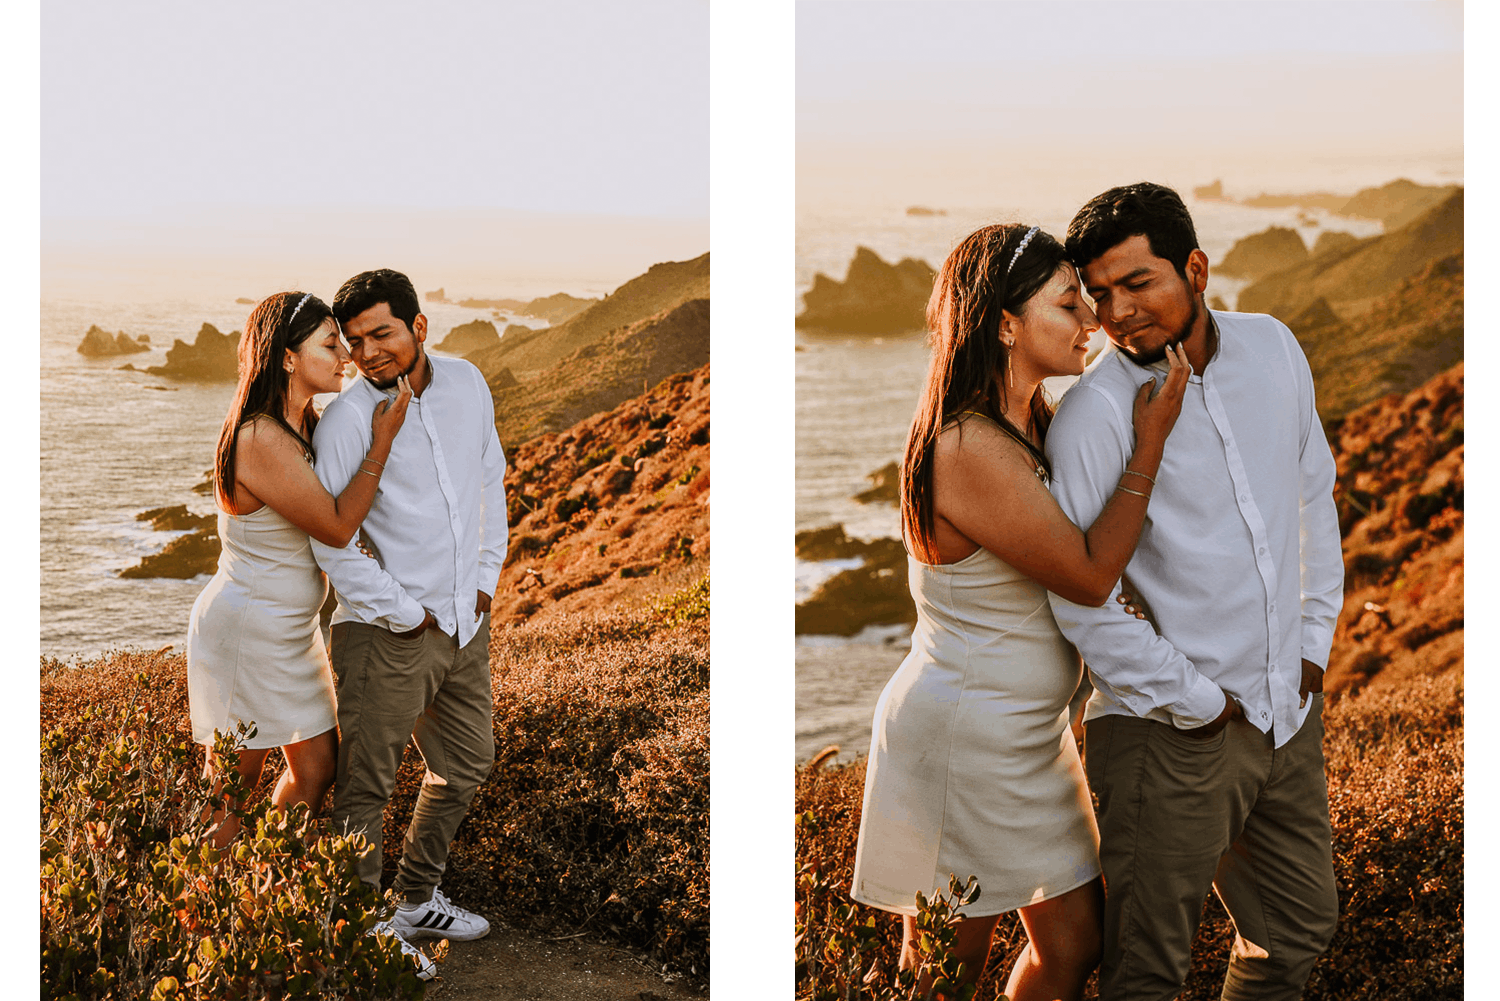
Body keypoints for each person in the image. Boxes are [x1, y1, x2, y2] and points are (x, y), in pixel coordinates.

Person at [850, 223, 1190, 1001]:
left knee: (1074, 944)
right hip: (968, 736)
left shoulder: (1032, 416)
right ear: (1006, 322)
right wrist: (1150, 441)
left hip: (1027, 734)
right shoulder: (967, 444)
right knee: (943, 969)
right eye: (1070, 306)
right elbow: (1089, 574)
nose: (1091, 323)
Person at [1045, 182, 1342, 999]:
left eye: (1138, 284)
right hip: (1167, 732)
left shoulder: (1275, 348)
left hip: (1286, 712)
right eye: (1099, 294)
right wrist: (1199, 701)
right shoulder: (1093, 417)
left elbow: (1312, 496)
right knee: (1146, 970)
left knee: (1296, 925)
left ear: (1198, 268)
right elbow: (1080, 598)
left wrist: (1312, 645)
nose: (1118, 312)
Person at [309, 268, 508, 978]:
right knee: (367, 787)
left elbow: (491, 475)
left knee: (467, 762)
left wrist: (486, 577)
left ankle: (413, 901)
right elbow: (328, 539)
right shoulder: (346, 420)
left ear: (420, 326)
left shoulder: (468, 383)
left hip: (463, 621)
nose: (368, 352)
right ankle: (358, 932)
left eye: (382, 333)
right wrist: (405, 612)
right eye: (355, 340)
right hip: (385, 632)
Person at [187, 291, 411, 849]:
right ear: (288, 358)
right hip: (248, 630)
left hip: (292, 630)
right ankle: (207, 913)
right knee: (232, 790)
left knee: (317, 769)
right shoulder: (259, 436)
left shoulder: (307, 422)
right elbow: (335, 527)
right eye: (331, 345)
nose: (347, 357)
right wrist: (380, 443)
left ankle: (264, 889)